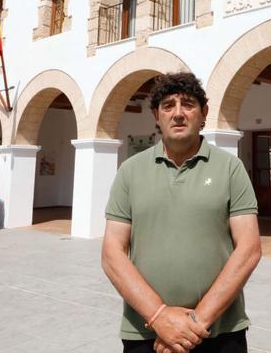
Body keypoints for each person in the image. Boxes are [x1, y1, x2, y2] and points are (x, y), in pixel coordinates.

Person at [101, 72, 261, 353]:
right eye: (168, 105)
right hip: (145, 330)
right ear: (156, 115)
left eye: (187, 104)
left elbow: (249, 249)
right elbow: (112, 253)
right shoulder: (130, 171)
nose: (177, 113)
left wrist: (194, 324)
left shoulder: (230, 168)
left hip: (220, 331)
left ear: (204, 114)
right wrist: (159, 316)